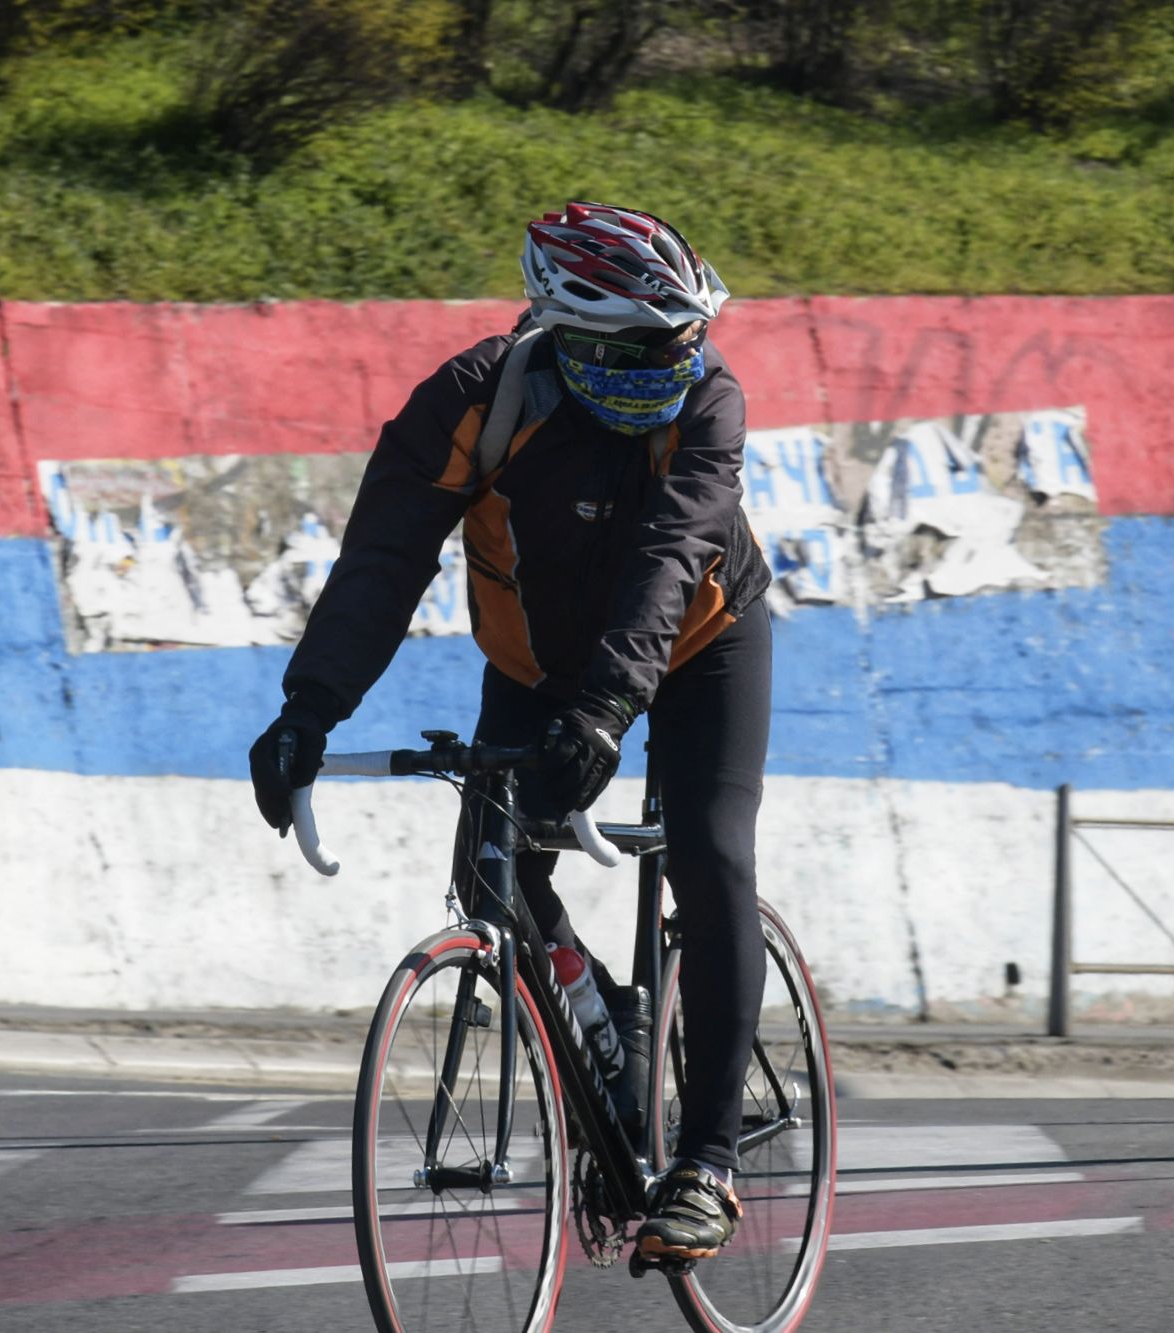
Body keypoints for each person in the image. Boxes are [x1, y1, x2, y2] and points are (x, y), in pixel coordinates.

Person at [247, 202, 771, 1264]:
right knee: (491, 870)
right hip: (535, 662)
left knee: (709, 860)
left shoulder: (709, 402)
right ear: (565, 337)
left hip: (699, 644)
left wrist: (609, 710)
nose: (676, 361)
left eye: (684, 338)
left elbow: (671, 557)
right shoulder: (473, 401)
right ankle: (601, 1010)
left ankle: (707, 1164)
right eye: (643, 348)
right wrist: (310, 709)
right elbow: (383, 562)